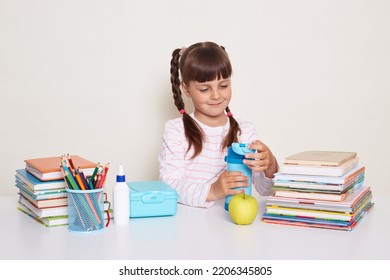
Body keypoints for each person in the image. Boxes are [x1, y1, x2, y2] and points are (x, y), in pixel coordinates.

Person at [159, 41, 278, 208]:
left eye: (223, 85)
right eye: (204, 89)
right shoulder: (176, 131)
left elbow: (266, 190)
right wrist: (213, 190)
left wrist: (270, 164)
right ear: (186, 90)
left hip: (233, 223)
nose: (216, 95)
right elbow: (169, 185)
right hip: (189, 224)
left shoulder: (245, 131)